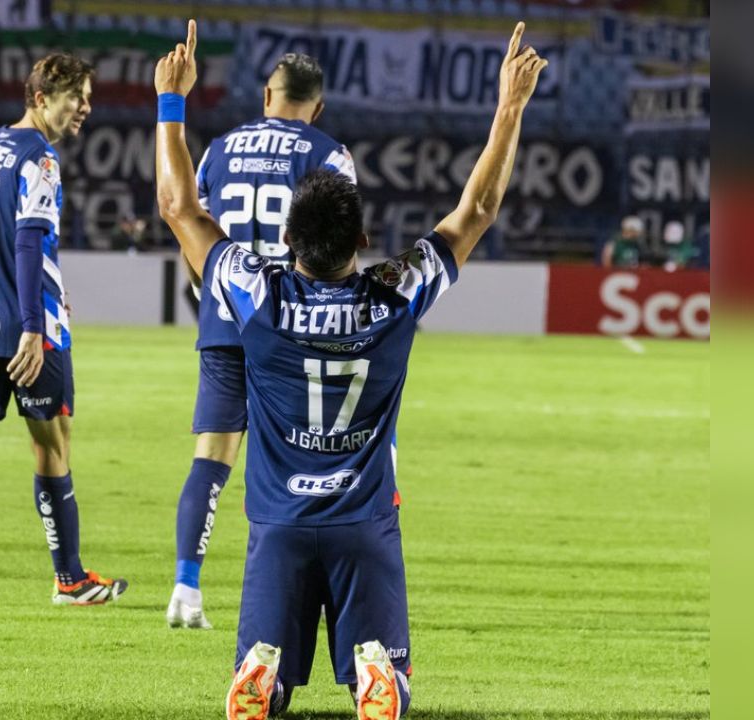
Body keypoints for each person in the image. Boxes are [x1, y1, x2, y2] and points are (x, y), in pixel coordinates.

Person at [154, 20, 546, 719]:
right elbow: (477, 210)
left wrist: (171, 103)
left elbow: (179, 207)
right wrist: (510, 106)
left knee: (263, 685)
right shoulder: (393, 293)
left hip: (277, 524)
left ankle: (265, 673)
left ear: (284, 240)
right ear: (362, 239)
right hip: (364, 522)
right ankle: (376, 674)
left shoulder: (258, 293)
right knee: (391, 685)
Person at [166, 52, 358, 629]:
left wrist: (209, 286)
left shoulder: (220, 149)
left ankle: (186, 585)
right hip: (294, 326)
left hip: (227, 316)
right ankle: (300, 599)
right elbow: (339, 241)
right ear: (317, 106)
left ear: (266, 96)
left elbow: (188, 224)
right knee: (301, 464)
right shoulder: (327, 152)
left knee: (211, 459)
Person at [0, 53, 128, 605]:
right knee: (51, 438)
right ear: (42, 97)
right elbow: (27, 240)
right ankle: (69, 578)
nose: (86, 108)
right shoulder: (39, 159)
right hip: (28, 326)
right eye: (78, 97)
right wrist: (31, 326)